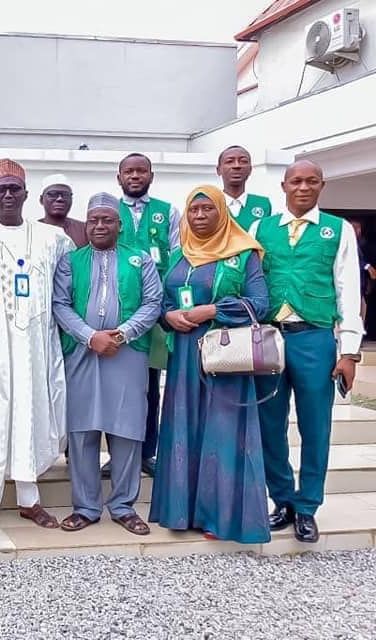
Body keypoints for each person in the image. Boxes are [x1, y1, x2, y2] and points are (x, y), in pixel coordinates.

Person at [150, 185, 271, 544]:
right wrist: (168, 316)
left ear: (222, 213)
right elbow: (162, 299)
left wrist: (213, 310)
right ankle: (181, 511)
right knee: (185, 426)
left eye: (208, 210)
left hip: (224, 356)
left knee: (222, 432)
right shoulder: (179, 254)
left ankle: (219, 516)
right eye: (194, 210)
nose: (200, 216)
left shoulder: (243, 254)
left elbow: (259, 304)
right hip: (185, 354)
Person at [250, 159, 362, 543]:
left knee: (316, 425)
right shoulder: (261, 228)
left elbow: (349, 290)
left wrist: (349, 352)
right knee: (269, 423)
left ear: (321, 186)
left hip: (314, 336)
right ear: (283, 186)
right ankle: (282, 500)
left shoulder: (337, 229)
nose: (303, 187)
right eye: (296, 181)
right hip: (269, 335)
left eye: (311, 181)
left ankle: (308, 506)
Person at [0, 159, 73, 529]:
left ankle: (29, 499)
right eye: (1, 190)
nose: (8, 195)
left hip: (35, 346)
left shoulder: (53, 239)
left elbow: (67, 292)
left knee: (31, 413)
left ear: (26, 194)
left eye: (14, 189)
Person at [52, 192, 162, 536]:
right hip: (82, 354)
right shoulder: (71, 261)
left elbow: (153, 303)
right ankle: (85, 507)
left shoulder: (141, 260)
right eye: (93, 220)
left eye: (107, 220)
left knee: (127, 429)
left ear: (119, 225)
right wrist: (90, 336)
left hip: (127, 354)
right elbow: (60, 304)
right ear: (86, 225)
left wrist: (123, 333)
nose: (99, 226)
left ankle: (123, 506)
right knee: (82, 430)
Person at [116, 152, 181, 477]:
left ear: (151, 176)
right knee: (117, 385)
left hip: (155, 312)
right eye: (129, 171)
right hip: (117, 311)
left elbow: (178, 255)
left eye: (141, 171)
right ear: (119, 178)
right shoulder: (108, 211)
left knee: (150, 385)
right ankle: (116, 455)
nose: (135, 176)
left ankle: (147, 452)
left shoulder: (168, 212)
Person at [216, 145, 273, 232]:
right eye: (230, 161)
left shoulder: (263, 203)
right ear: (218, 170)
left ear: (250, 169)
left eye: (243, 161)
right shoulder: (211, 204)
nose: (237, 166)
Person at [38, 174, 86, 248]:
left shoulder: (84, 230)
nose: (59, 199)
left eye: (65, 195)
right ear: (41, 200)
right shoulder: (32, 230)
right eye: (53, 194)